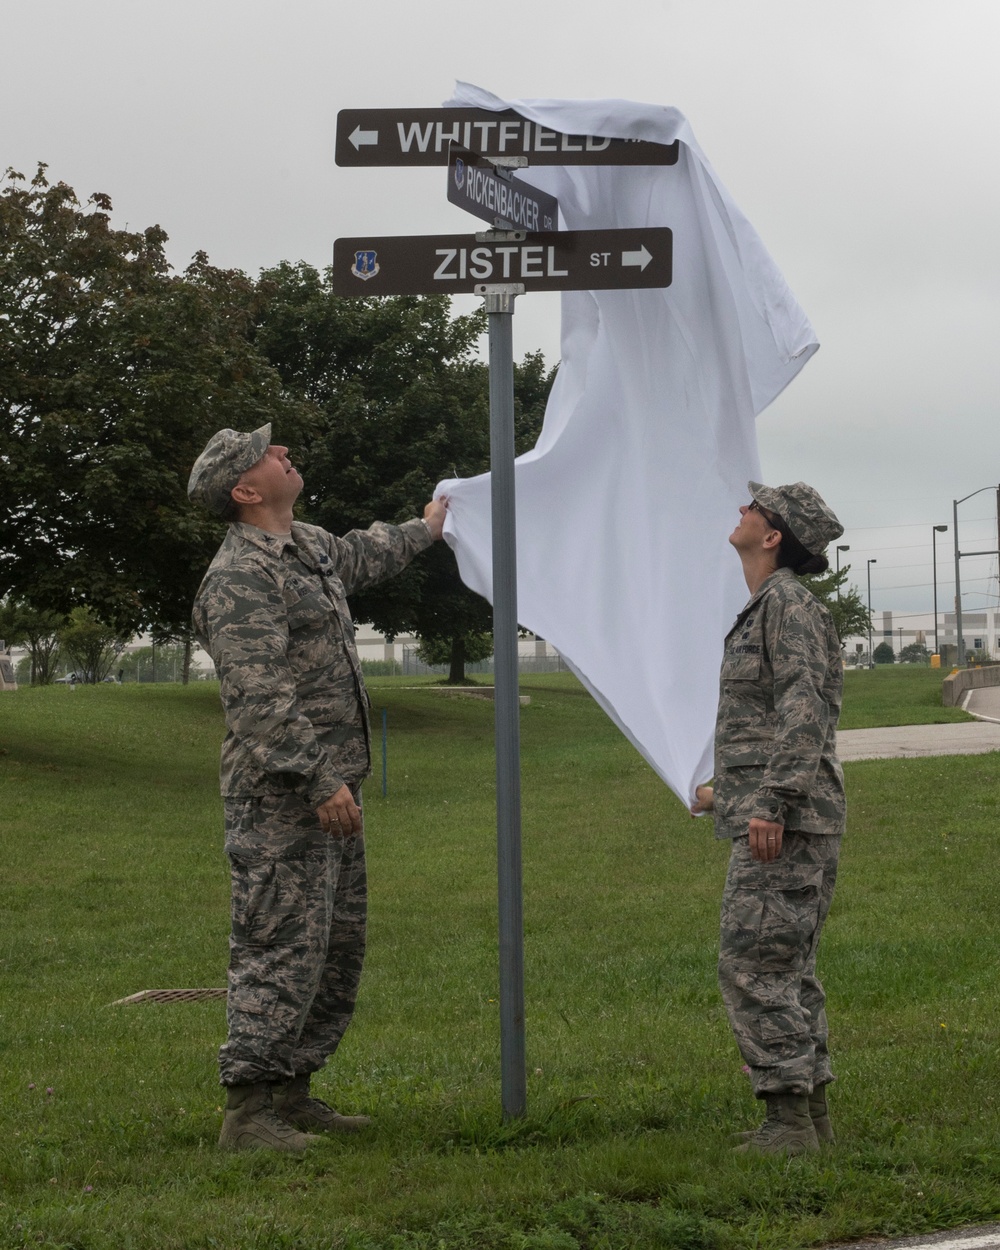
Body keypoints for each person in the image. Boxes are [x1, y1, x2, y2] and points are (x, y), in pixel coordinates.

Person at [188, 424, 447, 1154]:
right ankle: (248, 1111)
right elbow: (259, 697)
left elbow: (369, 551)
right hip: (283, 799)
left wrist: (430, 525)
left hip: (331, 798)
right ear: (244, 490)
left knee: (332, 951)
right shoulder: (239, 576)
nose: (283, 453)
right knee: (278, 946)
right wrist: (321, 778)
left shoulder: (307, 547)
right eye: (266, 454)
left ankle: (292, 1092)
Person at [691, 481, 845, 1156]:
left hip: (785, 821)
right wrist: (725, 789)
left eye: (753, 509)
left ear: (773, 534)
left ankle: (786, 1124)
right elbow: (771, 721)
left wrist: (774, 803)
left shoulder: (785, 606)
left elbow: (802, 711)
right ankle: (810, 1119)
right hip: (775, 810)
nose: (741, 513)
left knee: (753, 964)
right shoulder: (768, 607)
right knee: (786, 965)